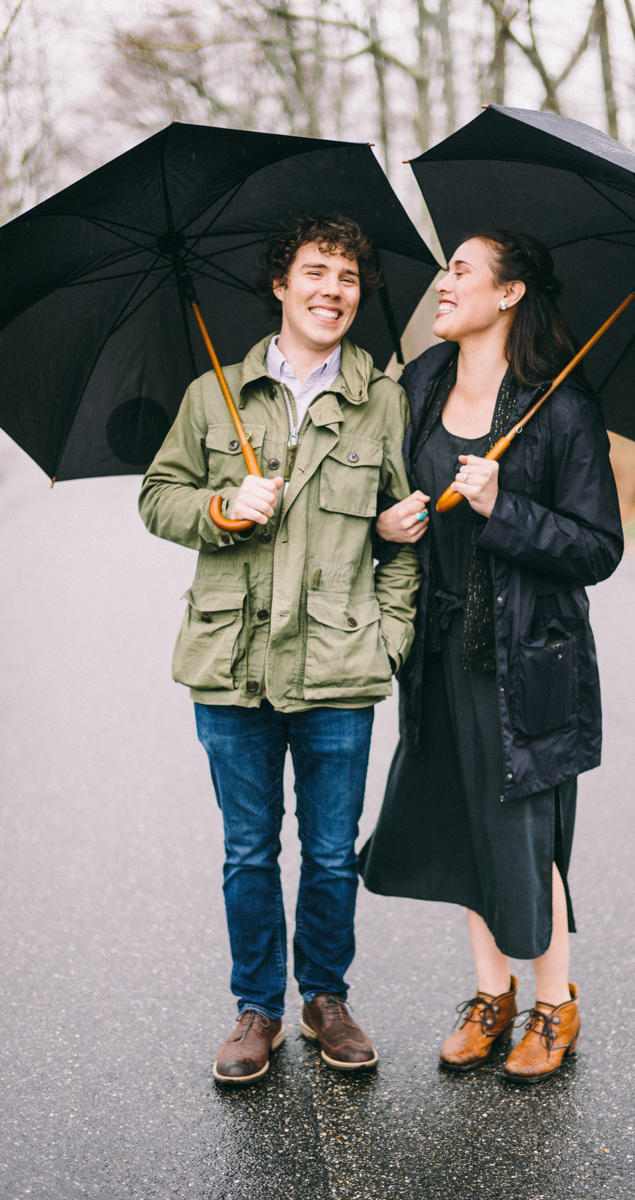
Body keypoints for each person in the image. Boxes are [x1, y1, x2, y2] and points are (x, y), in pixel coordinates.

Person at [139, 214, 420, 1084]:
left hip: (341, 665)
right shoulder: (211, 392)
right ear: (280, 283)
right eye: (316, 271)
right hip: (230, 665)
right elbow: (157, 497)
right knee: (248, 850)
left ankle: (324, 998)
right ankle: (256, 1008)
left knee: (334, 852)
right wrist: (222, 509)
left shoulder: (384, 399)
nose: (332, 289)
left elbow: (403, 535)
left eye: (347, 276)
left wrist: (389, 640)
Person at [359, 230, 623, 1083]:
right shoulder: (421, 381)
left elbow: (597, 548)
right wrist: (389, 523)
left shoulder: (563, 408)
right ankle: (491, 995)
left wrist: (506, 508)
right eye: (446, 269)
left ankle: (555, 1004)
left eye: (461, 271)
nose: (443, 283)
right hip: (437, 647)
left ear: (508, 295)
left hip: (527, 660)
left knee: (525, 832)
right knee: (464, 821)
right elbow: (402, 496)